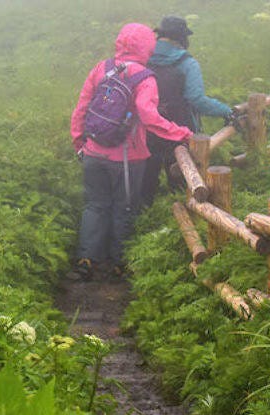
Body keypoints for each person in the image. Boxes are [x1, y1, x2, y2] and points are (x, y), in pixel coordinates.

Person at [70, 23, 193, 281]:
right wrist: (180, 133)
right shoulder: (145, 78)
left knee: (94, 205)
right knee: (124, 207)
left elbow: (82, 107)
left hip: (93, 152)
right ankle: (119, 263)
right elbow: (149, 117)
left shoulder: (101, 68)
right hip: (127, 158)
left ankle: (86, 259)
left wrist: (78, 141)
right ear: (147, 47)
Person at [141, 16, 236, 207]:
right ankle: (184, 220)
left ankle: (143, 221)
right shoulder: (187, 63)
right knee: (183, 184)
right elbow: (197, 99)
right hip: (179, 132)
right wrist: (226, 111)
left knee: (145, 185)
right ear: (181, 38)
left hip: (147, 131)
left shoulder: (143, 59)